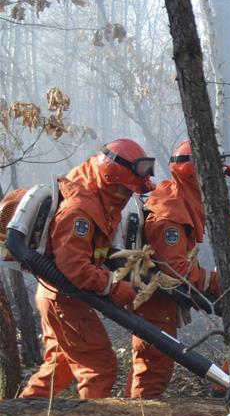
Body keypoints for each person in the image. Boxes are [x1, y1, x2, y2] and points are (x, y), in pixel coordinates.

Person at [20, 139, 155, 399]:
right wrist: (112, 286)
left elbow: (95, 253)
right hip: (63, 297)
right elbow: (74, 267)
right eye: (125, 191)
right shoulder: (79, 210)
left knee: (58, 367)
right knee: (99, 367)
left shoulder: (98, 197)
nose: (128, 196)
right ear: (109, 179)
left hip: (57, 295)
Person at [127, 140, 229, 398]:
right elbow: (174, 269)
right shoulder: (170, 214)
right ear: (198, 175)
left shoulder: (179, 202)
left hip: (160, 303)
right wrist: (213, 281)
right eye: (216, 175)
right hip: (155, 305)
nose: (220, 183)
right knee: (153, 371)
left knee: (151, 369)